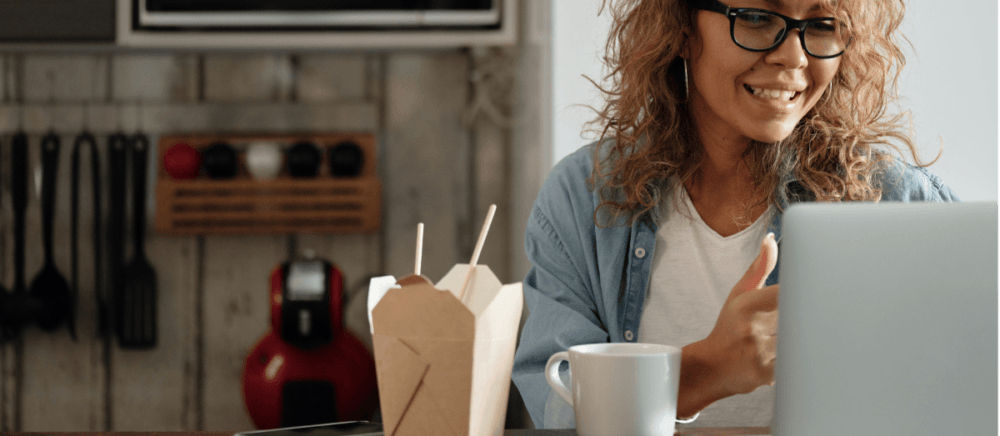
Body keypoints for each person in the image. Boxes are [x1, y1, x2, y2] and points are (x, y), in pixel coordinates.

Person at [511, 0, 959, 429]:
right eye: (757, 18)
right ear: (681, 27)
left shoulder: (895, 200)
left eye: (823, 25)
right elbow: (558, 408)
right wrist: (705, 371)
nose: (793, 57)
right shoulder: (583, 198)